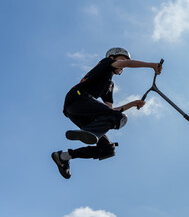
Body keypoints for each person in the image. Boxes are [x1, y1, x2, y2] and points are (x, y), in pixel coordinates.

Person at [52, 47, 162, 179]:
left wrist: (133, 104)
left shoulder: (109, 85)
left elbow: (111, 110)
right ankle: (91, 131)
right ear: (112, 57)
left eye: (124, 65)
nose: (123, 66)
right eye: (122, 60)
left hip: (79, 112)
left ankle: (63, 157)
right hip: (77, 98)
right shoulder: (105, 63)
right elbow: (129, 63)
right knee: (120, 118)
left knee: (107, 149)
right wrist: (152, 65)